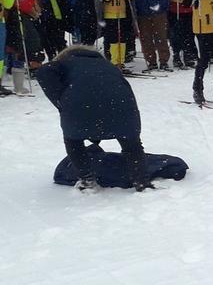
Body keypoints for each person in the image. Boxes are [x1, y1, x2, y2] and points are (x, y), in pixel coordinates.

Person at [35, 46, 152, 192]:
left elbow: (43, 72)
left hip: (80, 109)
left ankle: (87, 179)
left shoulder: (64, 63)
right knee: (132, 145)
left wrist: (60, 101)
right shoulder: (106, 65)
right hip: (122, 108)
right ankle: (141, 181)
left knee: (73, 140)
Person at [95, 0, 133, 69]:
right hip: (109, 15)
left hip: (122, 14)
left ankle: (121, 61)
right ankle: (114, 61)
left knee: (122, 39)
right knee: (113, 39)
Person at [168, 0, 198, 69]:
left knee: (189, 34)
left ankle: (188, 55)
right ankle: (176, 55)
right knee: (176, 35)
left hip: (188, 9)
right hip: (174, 10)